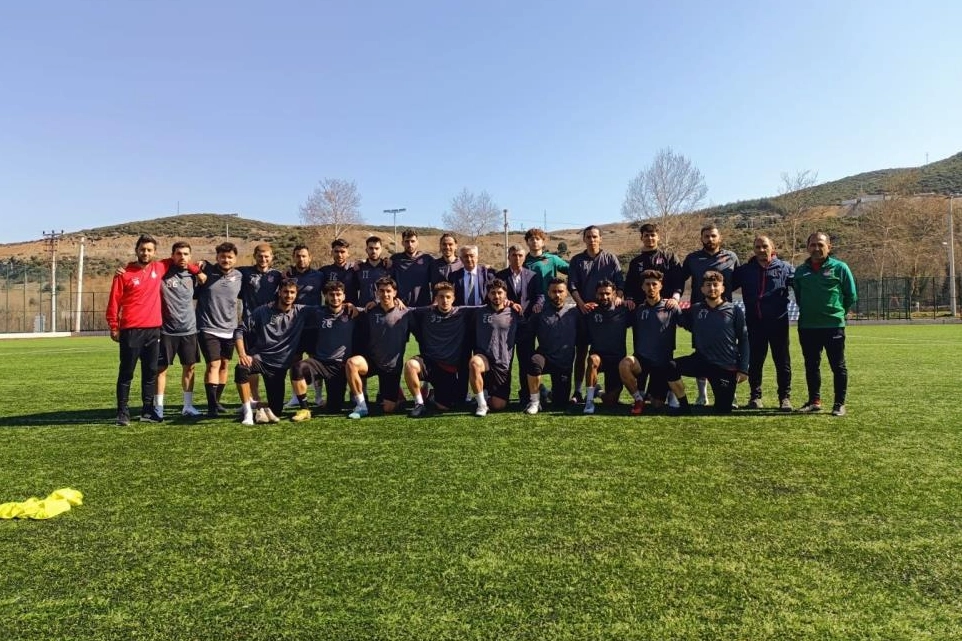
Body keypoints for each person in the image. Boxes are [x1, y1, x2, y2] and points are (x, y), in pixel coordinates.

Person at [106, 234, 201, 425]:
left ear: (154, 252)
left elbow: (181, 260)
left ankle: (147, 410)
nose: (145, 253)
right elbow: (114, 301)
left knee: (150, 372)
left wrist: (198, 270)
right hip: (131, 329)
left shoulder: (160, 267)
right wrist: (114, 326)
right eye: (142, 249)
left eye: (149, 250)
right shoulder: (124, 273)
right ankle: (122, 412)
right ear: (136, 250)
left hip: (154, 330)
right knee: (126, 373)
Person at [792, 231, 858, 416]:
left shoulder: (840, 268)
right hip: (808, 326)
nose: (816, 248)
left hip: (833, 326)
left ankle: (839, 404)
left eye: (820, 244)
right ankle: (814, 401)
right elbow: (799, 296)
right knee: (811, 365)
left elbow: (851, 295)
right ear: (807, 248)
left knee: (838, 366)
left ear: (829, 247)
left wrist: (837, 312)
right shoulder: (800, 271)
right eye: (812, 245)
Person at [666, 271, 749, 415]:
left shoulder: (734, 310)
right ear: (702, 289)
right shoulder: (696, 309)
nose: (712, 288)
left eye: (716, 285)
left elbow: (744, 339)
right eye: (708, 285)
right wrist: (673, 303)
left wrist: (743, 369)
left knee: (723, 410)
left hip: (725, 365)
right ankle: (684, 407)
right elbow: (680, 319)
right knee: (670, 367)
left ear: (723, 288)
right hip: (701, 361)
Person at [233, 278, 311, 425]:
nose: (289, 295)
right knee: (241, 368)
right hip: (260, 359)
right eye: (285, 292)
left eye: (292, 292)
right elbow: (239, 330)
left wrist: (348, 306)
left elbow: (327, 310)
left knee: (276, 410)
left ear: (296, 294)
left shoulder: (301, 311)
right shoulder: (262, 311)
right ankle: (247, 412)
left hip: (279, 367)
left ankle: (258, 406)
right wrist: (242, 354)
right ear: (279, 292)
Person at [680, 224, 741, 406]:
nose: (710, 239)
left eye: (713, 236)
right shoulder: (692, 258)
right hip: (700, 315)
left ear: (719, 237)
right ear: (701, 238)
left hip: (724, 314)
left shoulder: (731, 257)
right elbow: (679, 280)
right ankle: (702, 395)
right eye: (706, 236)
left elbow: (738, 281)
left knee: (728, 352)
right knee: (701, 352)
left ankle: (731, 394)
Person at [733, 235, 795, 411]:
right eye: (758, 247)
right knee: (755, 361)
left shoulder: (785, 268)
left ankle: (784, 398)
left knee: (782, 362)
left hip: (778, 324)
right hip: (754, 323)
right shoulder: (745, 270)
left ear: (772, 247)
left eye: (765, 246)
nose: (761, 250)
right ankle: (755, 396)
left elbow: (802, 287)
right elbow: (724, 287)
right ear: (754, 249)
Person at [568, 225, 625, 403]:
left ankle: (602, 390)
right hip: (586, 313)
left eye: (595, 236)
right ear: (584, 239)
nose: (592, 240)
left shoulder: (610, 258)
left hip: (608, 315)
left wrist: (618, 298)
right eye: (588, 237)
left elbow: (620, 283)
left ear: (600, 239)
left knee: (607, 350)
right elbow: (572, 286)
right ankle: (578, 391)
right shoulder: (577, 260)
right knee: (582, 352)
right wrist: (582, 304)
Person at [345, 277, 413, 419]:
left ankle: (397, 397)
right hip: (372, 361)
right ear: (377, 293)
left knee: (388, 408)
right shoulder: (370, 311)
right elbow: (351, 309)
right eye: (381, 291)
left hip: (391, 366)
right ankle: (361, 406)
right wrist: (349, 305)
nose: (385, 294)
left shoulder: (406, 312)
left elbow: (427, 312)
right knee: (352, 363)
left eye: (388, 291)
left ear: (395, 293)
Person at [288, 280, 356, 421]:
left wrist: (395, 301)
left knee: (334, 408)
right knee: (297, 368)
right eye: (331, 294)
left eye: (338, 294)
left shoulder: (352, 313)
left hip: (339, 366)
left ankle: (330, 401)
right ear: (325, 296)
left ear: (344, 296)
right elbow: (293, 306)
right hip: (320, 362)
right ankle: (304, 409)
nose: (335, 298)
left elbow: (375, 308)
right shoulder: (318, 311)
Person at [404, 281, 473, 417]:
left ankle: (432, 395)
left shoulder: (462, 312)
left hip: (448, 368)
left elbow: (486, 308)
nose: (444, 300)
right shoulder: (425, 312)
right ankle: (419, 404)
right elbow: (403, 309)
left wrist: (509, 303)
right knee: (410, 365)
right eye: (441, 297)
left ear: (453, 298)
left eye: (448, 297)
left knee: (444, 406)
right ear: (436, 298)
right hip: (429, 363)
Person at [156, 241, 207, 419]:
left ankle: (188, 406)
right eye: (178, 253)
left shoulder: (193, 275)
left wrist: (198, 271)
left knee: (190, 368)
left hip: (189, 329)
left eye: (185, 254)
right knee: (161, 369)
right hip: (166, 330)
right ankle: (159, 407)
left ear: (190, 256)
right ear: (172, 255)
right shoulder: (163, 272)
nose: (182, 257)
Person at [619, 269, 680, 415]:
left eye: (654, 284)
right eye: (647, 284)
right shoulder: (638, 309)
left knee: (657, 404)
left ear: (661, 286)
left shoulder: (671, 308)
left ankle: (667, 391)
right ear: (642, 287)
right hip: (642, 360)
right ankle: (639, 399)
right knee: (624, 364)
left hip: (661, 362)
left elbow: (689, 324)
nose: (651, 287)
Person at [195, 242, 244, 417]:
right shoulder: (206, 271)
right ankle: (211, 407)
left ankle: (217, 401)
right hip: (208, 327)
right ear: (217, 257)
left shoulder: (239, 275)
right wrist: (198, 267)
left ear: (235, 259)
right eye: (222, 256)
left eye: (230, 257)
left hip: (230, 328)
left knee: (224, 364)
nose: (226, 260)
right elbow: (190, 266)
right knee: (213, 364)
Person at [237, 242, 283, 411]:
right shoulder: (244, 272)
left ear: (272, 257)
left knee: (270, 361)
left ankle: (274, 396)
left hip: (270, 325)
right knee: (250, 361)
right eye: (260, 256)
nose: (263, 259)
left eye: (266, 256)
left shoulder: (277, 275)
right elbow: (225, 270)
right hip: (250, 324)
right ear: (255, 256)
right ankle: (254, 398)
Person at [497, 244, 544, 405]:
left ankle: (526, 395)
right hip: (506, 326)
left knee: (526, 361)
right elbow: (495, 296)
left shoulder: (533, 275)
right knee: (505, 361)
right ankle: (502, 395)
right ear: (508, 257)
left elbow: (540, 295)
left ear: (524, 257)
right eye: (514, 255)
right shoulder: (500, 276)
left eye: (520, 255)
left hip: (526, 325)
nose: (517, 258)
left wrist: (538, 304)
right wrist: (509, 303)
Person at [524, 278, 578, 415]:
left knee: (560, 404)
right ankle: (535, 402)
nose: (557, 295)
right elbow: (528, 335)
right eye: (554, 291)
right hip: (545, 357)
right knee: (534, 362)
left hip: (564, 363)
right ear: (548, 293)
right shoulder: (539, 312)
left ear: (566, 293)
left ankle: (544, 391)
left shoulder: (575, 313)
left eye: (560, 291)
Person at [468, 279, 521, 416]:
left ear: (505, 294)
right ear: (488, 294)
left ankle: (485, 395)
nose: (496, 296)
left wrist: (513, 304)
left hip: (502, 363)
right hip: (484, 359)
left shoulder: (514, 313)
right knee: (474, 363)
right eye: (493, 293)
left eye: (499, 293)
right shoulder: (479, 312)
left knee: (499, 405)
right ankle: (481, 404)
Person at [284, 244, 325, 407]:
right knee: (294, 362)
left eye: (304, 256)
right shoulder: (287, 276)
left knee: (316, 361)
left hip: (314, 325)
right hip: (293, 326)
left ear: (310, 257)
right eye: (298, 256)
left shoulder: (319, 275)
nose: (301, 259)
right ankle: (296, 396)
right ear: (293, 257)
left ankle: (318, 396)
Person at [582, 280, 629, 414]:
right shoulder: (590, 311)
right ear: (596, 294)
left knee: (610, 402)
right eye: (601, 294)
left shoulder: (624, 310)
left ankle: (598, 391)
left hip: (617, 361)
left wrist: (630, 301)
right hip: (599, 358)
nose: (604, 297)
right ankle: (589, 401)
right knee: (593, 359)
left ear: (614, 294)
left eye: (608, 293)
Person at [624, 223, 683, 309]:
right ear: (641, 238)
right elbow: (629, 283)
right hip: (640, 307)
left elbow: (678, 280)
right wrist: (629, 298)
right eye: (646, 235)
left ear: (658, 237)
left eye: (652, 235)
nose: (650, 238)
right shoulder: (635, 262)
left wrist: (675, 298)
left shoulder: (670, 258)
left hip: (666, 306)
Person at [391, 229, 434, 307]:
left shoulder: (427, 259)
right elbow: (389, 282)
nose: (410, 244)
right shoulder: (395, 259)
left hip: (424, 307)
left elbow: (438, 279)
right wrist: (395, 298)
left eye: (413, 241)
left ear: (417, 242)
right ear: (402, 243)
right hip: (401, 307)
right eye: (407, 241)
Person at [522, 227, 568, 294]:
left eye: (537, 239)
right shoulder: (522, 261)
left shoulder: (552, 259)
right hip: (530, 300)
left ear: (543, 242)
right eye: (531, 239)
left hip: (549, 300)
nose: (535, 241)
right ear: (527, 242)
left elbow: (573, 271)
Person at [354, 236, 391, 307]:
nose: (374, 251)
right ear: (366, 250)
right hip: (364, 309)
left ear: (381, 250)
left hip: (383, 308)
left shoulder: (388, 267)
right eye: (371, 248)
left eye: (377, 248)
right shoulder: (359, 268)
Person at [320, 238, 358, 305]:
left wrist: (362, 262)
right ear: (332, 253)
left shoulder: (355, 269)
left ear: (348, 253)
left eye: (342, 252)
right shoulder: (324, 271)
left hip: (351, 309)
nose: (339, 255)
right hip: (330, 309)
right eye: (336, 251)